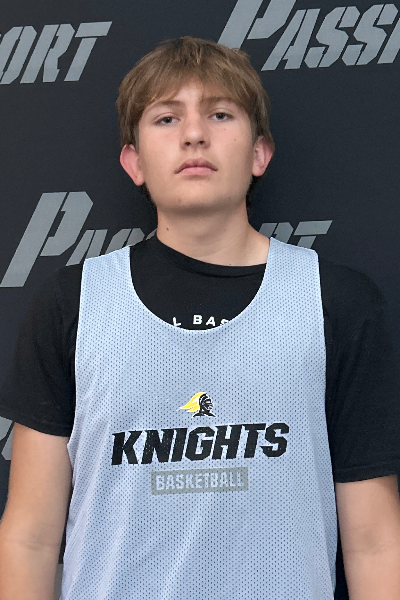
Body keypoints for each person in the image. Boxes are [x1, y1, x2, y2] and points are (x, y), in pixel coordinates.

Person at [0, 35, 399, 600]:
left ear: (259, 153)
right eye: (166, 118)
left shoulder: (335, 301)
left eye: (219, 114)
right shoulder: (76, 304)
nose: (194, 134)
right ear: (134, 162)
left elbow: (375, 541)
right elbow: (30, 538)